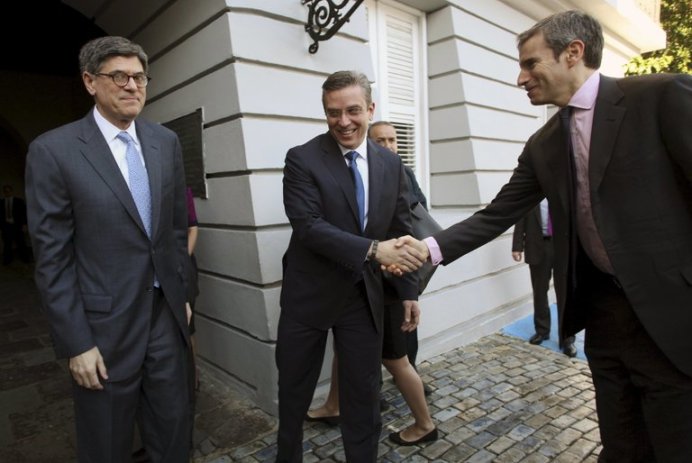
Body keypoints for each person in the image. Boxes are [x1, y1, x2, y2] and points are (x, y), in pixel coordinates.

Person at [391, 10, 692, 462]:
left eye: (531, 63)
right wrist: (426, 248)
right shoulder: (543, 144)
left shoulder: (661, 97)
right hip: (604, 320)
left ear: (573, 53)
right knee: (621, 446)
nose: (521, 78)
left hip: (674, 318)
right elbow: (497, 214)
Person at [25, 36, 192, 463]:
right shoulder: (53, 151)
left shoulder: (165, 142)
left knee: (174, 432)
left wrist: (184, 295)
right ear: (89, 82)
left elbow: (175, 231)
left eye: (139, 77)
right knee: (107, 442)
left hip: (165, 316)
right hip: (103, 328)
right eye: (119, 76)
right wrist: (76, 342)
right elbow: (53, 259)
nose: (132, 85)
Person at [277, 70, 426, 462]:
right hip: (308, 296)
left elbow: (401, 230)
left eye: (353, 111)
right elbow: (308, 226)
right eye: (333, 112)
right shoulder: (302, 158)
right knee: (293, 393)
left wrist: (408, 291)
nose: (343, 121)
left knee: (363, 396)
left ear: (370, 109)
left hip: (362, 298)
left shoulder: (391, 164)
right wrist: (375, 251)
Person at [305, 121, 437, 447]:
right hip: (353, 282)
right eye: (381, 141)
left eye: (392, 140)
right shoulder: (348, 173)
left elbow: (405, 232)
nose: (387, 146)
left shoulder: (396, 173)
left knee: (395, 360)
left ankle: (424, 424)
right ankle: (334, 405)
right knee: (343, 345)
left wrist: (408, 292)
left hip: (386, 286)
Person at [512, 199, 577, 357]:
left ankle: (567, 338)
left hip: (562, 247)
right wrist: (517, 246)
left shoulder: (563, 192)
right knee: (540, 291)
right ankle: (542, 331)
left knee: (565, 293)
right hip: (537, 247)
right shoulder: (531, 194)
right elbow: (520, 219)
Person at [1, 184, 29, 265]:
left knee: (21, 242)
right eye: (5, 191)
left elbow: (24, 213)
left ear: (11, 191)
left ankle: (25, 258)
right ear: (4, 192)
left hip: (17, 225)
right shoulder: (1, 202)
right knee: (7, 243)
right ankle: (7, 260)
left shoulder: (18, 201)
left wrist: (24, 224)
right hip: (6, 226)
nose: (7, 193)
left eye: (8, 191)